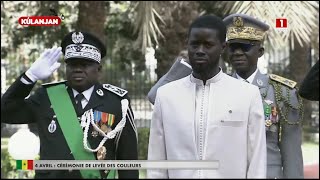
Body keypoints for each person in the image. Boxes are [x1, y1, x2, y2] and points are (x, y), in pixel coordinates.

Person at [1, 31, 139, 179]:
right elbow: (5, 111)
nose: (78, 69)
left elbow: (127, 158)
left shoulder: (116, 101)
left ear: (98, 69)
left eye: (85, 64)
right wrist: (30, 77)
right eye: (72, 64)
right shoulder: (46, 97)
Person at [147, 14, 266, 178]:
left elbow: (257, 161)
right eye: (195, 44)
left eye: (208, 45)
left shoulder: (247, 95)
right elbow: (157, 163)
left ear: (222, 47)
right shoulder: (166, 96)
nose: (200, 51)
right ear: (187, 45)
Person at [223, 14, 304, 178]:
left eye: (245, 47)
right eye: (233, 47)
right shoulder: (217, 89)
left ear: (260, 52)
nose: (238, 53)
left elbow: (292, 151)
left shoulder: (282, 92)